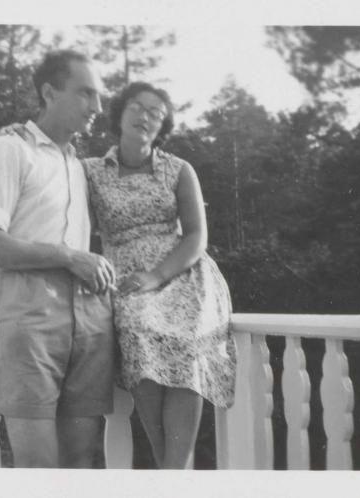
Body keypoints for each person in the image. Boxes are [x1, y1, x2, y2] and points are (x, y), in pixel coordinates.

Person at [0, 50, 117, 468]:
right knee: (40, 471)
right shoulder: (10, 149)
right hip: (30, 317)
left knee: (81, 461)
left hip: (89, 320)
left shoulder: (79, 164)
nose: (97, 107)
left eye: (99, 96)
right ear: (49, 92)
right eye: (85, 93)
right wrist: (68, 257)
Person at [82, 82, 236, 469]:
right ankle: (171, 470)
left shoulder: (179, 170)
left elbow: (197, 235)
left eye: (155, 111)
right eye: (136, 106)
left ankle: (173, 472)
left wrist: (157, 275)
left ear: (163, 125)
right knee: (140, 335)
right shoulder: (90, 171)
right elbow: (48, 167)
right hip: (127, 278)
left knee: (186, 346)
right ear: (119, 113)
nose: (145, 115)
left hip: (182, 273)